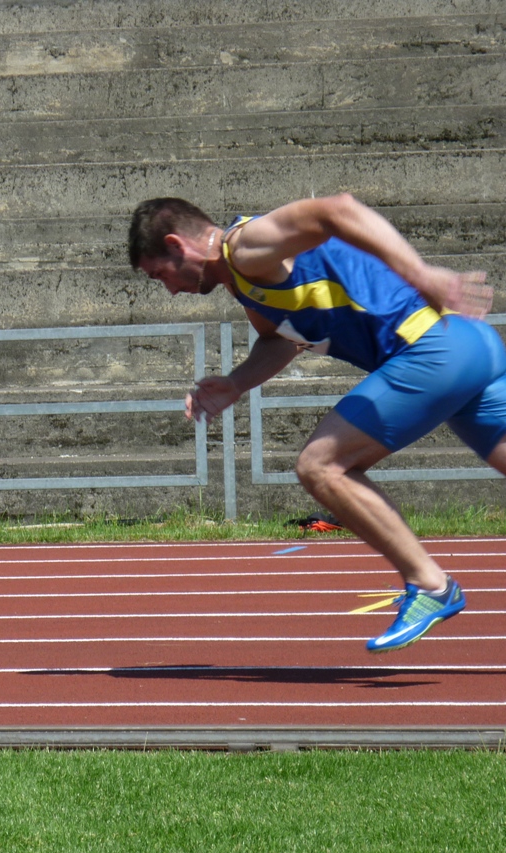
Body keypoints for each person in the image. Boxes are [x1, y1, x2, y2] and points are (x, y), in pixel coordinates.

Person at [128, 193, 501, 652]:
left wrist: (420, 273)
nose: (169, 290)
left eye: (159, 275)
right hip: (469, 345)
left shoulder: (245, 246)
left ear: (176, 245)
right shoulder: (244, 282)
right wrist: (237, 382)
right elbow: (281, 340)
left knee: (320, 465)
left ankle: (430, 585)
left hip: (430, 349)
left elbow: (336, 210)